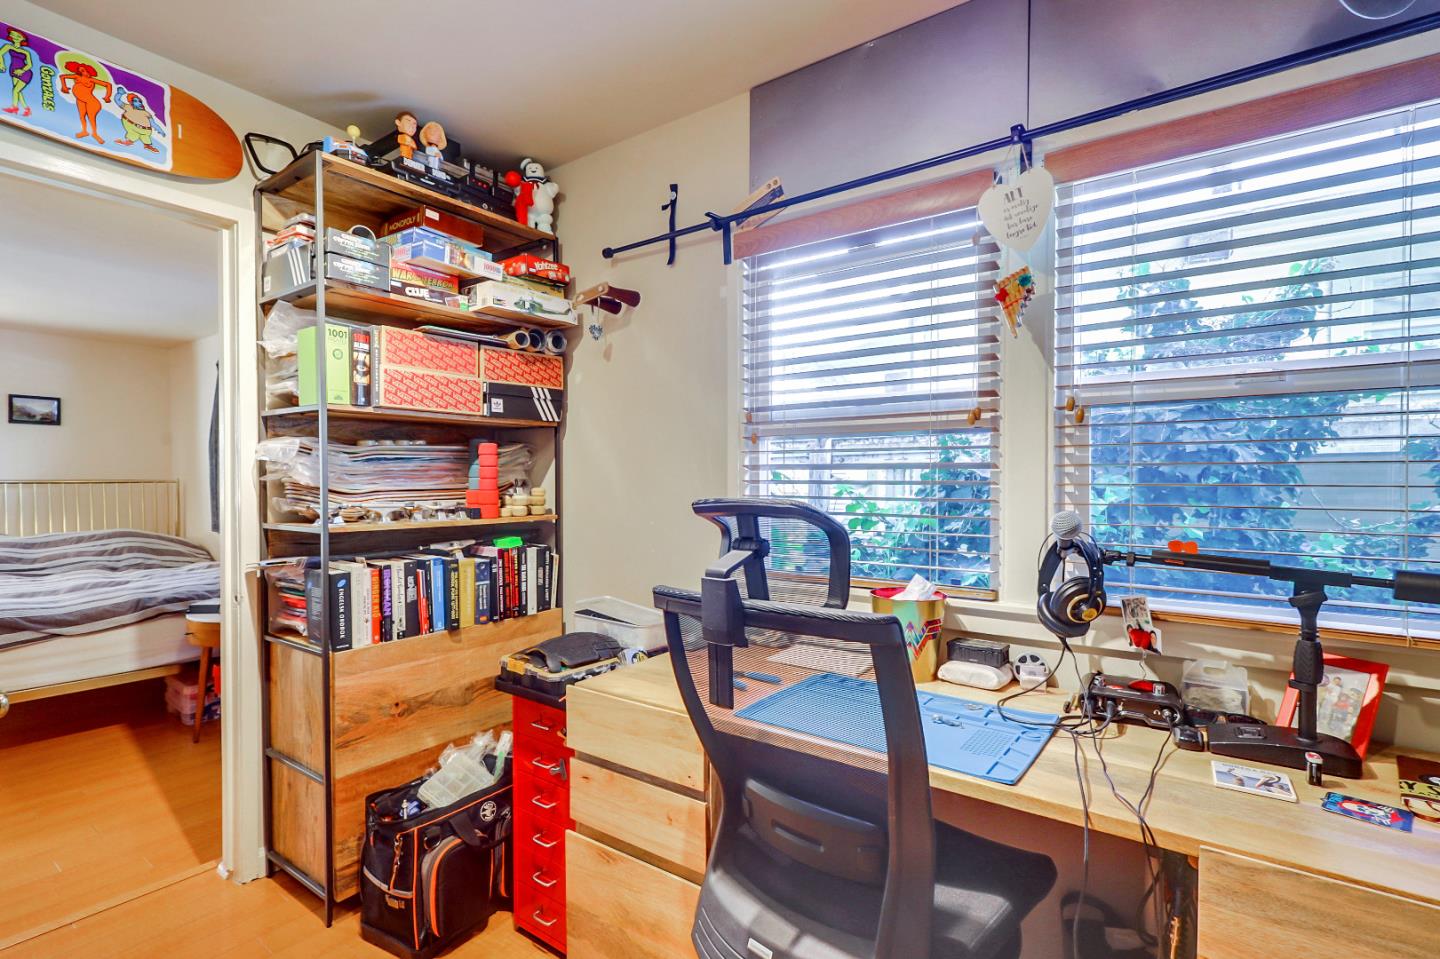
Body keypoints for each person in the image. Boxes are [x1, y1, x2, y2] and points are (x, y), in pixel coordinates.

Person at [59, 59, 113, 144]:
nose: (82, 72)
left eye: (84, 70)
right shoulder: (77, 77)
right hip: (80, 100)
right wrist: (64, 87)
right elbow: (62, 77)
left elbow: (108, 85)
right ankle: (84, 131)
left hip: (91, 101)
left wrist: (107, 96)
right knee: (82, 116)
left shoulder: (91, 80)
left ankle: (95, 134)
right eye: (80, 71)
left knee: (91, 118)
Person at [0, 28, 33, 116]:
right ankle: (27, 109)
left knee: (15, 90)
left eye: (18, 36)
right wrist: (2, 64)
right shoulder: (8, 46)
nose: (15, 37)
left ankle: (14, 107)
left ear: (23, 39)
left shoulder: (26, 52)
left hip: (25, 72)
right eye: (13, 35)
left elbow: (29, 65)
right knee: (18, 91)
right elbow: (0, 54)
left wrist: (22, 70)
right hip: (13, 70)